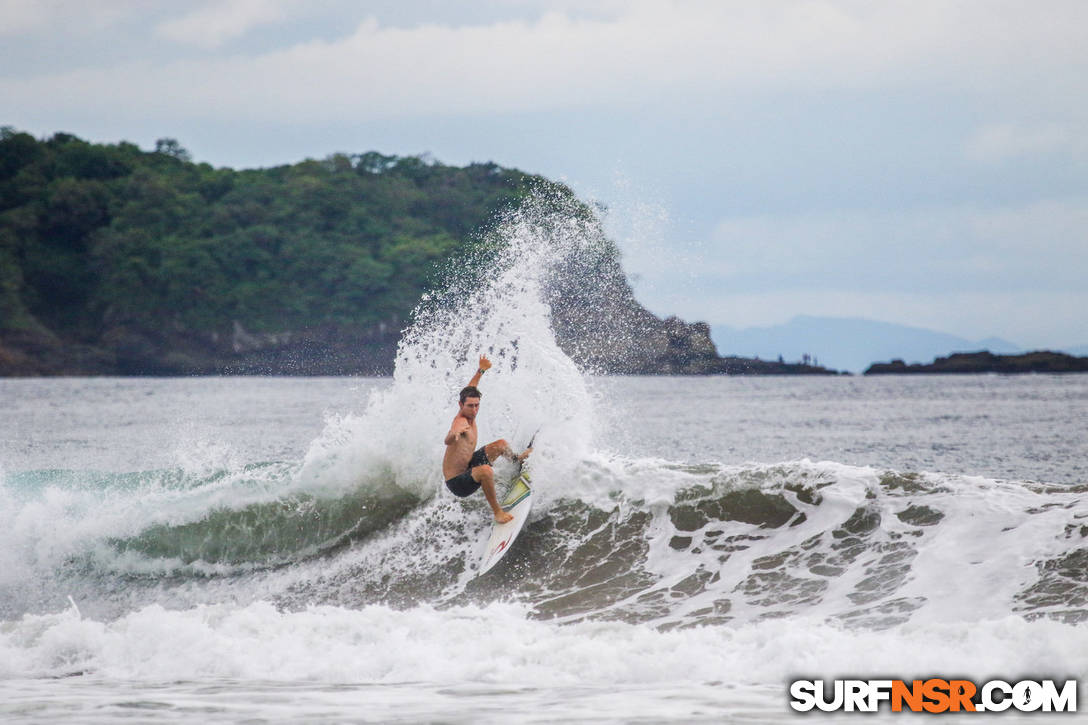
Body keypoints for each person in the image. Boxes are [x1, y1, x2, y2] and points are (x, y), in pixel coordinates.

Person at [443, 354, 531, 523]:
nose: (475, 409)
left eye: (477, 405)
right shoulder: (460, 422)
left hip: (468, 465)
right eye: (470, 406)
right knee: (485, 470)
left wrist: (481, 370)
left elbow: (471, 387)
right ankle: (498, 513)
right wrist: (453, 435)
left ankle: (517, 461)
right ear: (460, 405)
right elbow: (447, 440)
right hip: (457, 482)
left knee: (501, 445)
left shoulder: (470, 406)